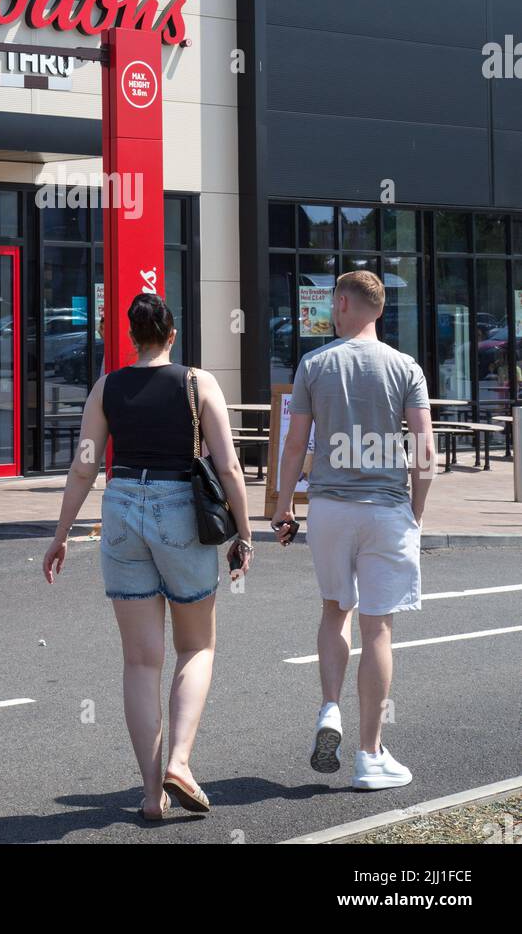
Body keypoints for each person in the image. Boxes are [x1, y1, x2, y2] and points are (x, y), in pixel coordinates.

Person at [42, 293, 253, 822]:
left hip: (120, 508)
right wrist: (246, 533)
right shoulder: (198, 383)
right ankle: (180, 762)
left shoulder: (106, 387)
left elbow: (84, 466)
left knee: (140, 661)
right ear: (172, 335)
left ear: (132, 337)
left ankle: (151, 794)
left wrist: (61, 535)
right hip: (179, 506)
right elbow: (229, 467)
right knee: (197, 646)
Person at [273, 269, 435, 790]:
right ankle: (370, 754)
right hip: (386, 509)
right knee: (377, 628)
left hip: (329, 508)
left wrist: (282, 506)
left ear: (342, 303)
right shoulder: (405, 367)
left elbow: (295, 445)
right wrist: (416, 510)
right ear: (380, 309)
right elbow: (424, 449)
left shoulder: (314, 364)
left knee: (334, 609)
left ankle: (329, 709)